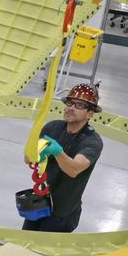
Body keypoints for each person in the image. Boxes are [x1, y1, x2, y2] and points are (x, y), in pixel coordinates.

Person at [23, 84, 105, 233]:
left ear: (90, 114)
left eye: (79, 105)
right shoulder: (52, 128)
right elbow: (28, 159)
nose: (71, 108)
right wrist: (35, 156)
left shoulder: (92, 142)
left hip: (63, 213)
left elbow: (74, 169)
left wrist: (57, 152)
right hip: (40, 203)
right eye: (69, 102)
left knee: (42, 253)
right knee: (22, 244)